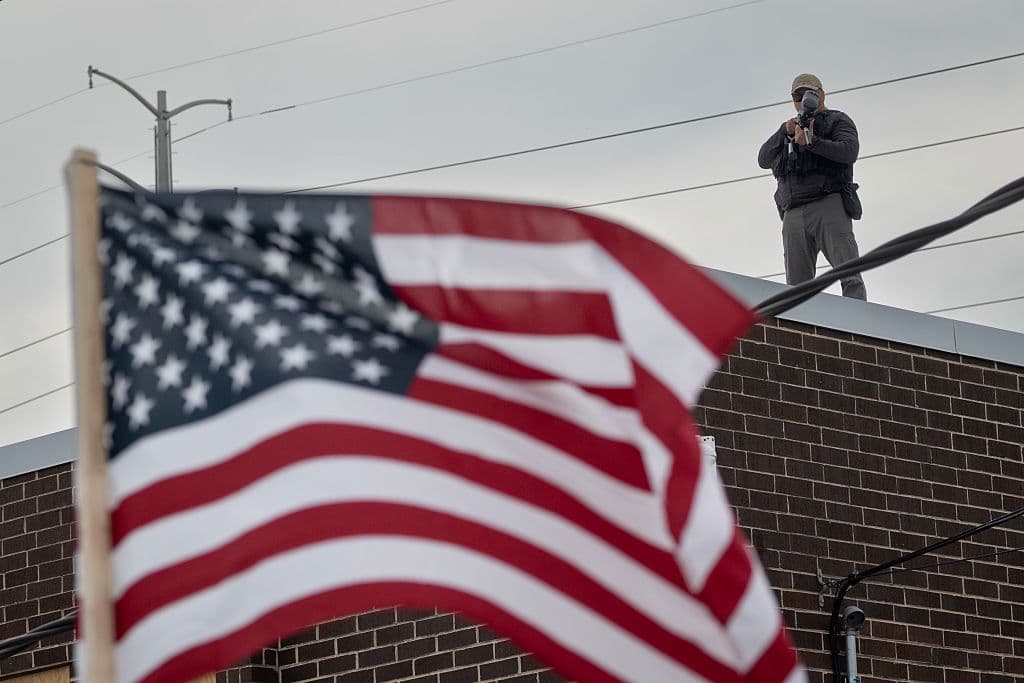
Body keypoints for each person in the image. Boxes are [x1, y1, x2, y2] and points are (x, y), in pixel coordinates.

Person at [758, 73, 866, 300]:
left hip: (828, 203)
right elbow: (763, 159)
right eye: (797, 95)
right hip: (793, 212)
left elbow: (849, 151)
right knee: (795, 289)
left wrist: (812, 142)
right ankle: (798, 332)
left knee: (849, 272)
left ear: (821, 95)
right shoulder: (789, 130)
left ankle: (860, 327)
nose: (802, 99)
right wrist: (783, 132)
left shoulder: (837, 120)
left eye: (809, 93)